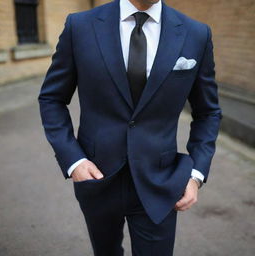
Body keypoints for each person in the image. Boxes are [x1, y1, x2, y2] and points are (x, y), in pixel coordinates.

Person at [38, 0, 222, 255]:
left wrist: (196, 174)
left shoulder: (196, 34)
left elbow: (208, 112)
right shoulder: (80, 26)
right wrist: (74, 161)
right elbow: (52, 99)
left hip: (161, 182)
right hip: (96, 177)